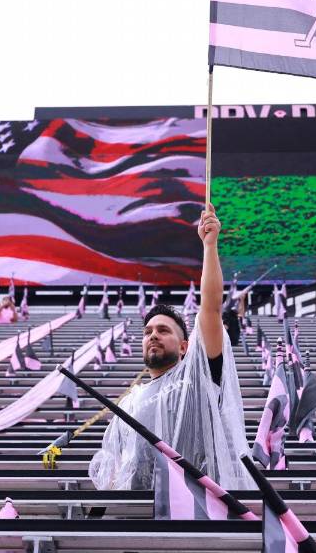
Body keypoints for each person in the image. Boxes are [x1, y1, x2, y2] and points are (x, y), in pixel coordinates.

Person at [89, 205, 249, 491]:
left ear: (185, 346)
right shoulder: (130, 402)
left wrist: (209, 246)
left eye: (163, 330)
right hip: (138, 514)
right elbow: (115, 466)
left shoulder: (197, 378)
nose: (153, 335)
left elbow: (210, 310)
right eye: (148, 331)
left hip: (194, 508)